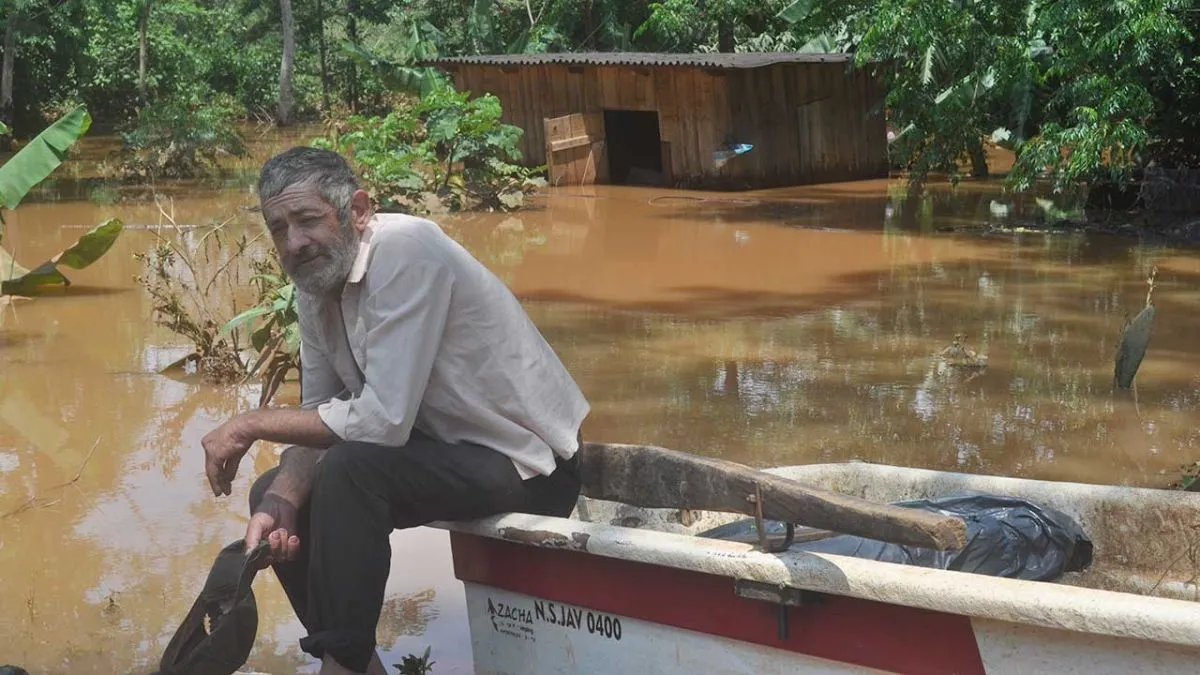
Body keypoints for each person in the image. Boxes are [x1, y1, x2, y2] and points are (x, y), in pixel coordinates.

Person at [200, 146, 590, 675]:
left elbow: (382, 421)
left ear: (358, 211)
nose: (294, 243)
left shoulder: (407, 250)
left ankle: (340, 665)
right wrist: (285, 496)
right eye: (279, 229)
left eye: (308, 220)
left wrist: (251, 423)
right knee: (273, 492)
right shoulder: (314, 287)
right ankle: (356, 663)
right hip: (442, 448)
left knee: (350, 471)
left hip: (530, 463)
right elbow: (322, 411)